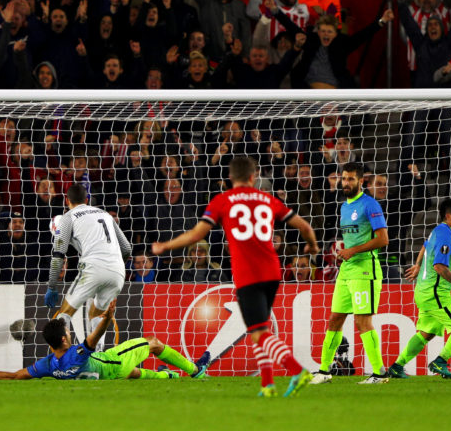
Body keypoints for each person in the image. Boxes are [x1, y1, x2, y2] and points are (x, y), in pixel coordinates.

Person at [152, 156, 319, 397]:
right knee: (258, 329)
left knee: (260, 332)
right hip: (272, 271)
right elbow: (305, 227)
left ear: (230, 179)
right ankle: (268, 385)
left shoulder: (223, 200)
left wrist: (165, 246)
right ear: (253, 177)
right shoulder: (268, 199)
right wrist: (312, 248)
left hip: (248, 274)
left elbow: (195, 234)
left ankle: (297, 370)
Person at [0, 301, 203, 380]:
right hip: (114, 362)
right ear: (64, 339)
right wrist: (107, 317)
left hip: (110, 375)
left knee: (136, 374)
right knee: (154, 342)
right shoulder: (77, 353)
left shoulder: (49, 365)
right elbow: (94, 337)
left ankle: (167, 376)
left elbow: (14, 376)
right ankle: (195, 371)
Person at [312, 162, 391, 385]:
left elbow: (383, 239)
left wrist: (352, 250)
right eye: (343, 179)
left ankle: (379, 373)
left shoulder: (370, 204)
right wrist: (344, 253)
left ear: (361, 181)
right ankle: (324, 371)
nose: (345, 183)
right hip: (346, 270)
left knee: (362, 321)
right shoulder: (344, 206)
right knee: (335, 319)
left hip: (365, 269)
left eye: (350, 179)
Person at [387, 199, 451, 379]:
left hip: (424, 291)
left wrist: (418, 264)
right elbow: (439, 266)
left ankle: (397, 366)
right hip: (435, 293)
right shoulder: (446, 235)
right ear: (448, 216)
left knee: (426, 334)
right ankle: (441, 361)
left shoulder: (439, 230)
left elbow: (425, 245)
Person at [44, 183, 132, 352]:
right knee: (97, 315)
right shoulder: (104, 214)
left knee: (64, 315)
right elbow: (127, 248)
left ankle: (67, 360)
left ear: (66, 200)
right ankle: (97, 359)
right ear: (87, 200)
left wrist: (52, 287)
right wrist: (114, 264)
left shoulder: (68, 218)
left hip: (92, 267)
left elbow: (58, 257)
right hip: (118, 271)